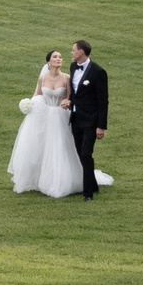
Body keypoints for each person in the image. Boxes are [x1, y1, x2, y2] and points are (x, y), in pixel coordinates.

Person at [8, 49, 91, 198]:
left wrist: (68, 100)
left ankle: (61, 180)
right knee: (44, 147)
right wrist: (28, 104)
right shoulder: (43, 78)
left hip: (60, 115)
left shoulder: (66, 78)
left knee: (60, 147)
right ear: (49, 61)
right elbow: (38, 95)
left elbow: (71, 96)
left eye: (60, 57)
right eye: (55, 57)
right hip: (46, 116)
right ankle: (41, 178)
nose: (59, 59)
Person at [61, 40, 111, 200]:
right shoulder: (73, 67)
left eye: (73, 50)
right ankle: (93, 184)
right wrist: (70, 101)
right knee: (78, 153)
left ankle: (87, 193)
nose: (71, 53)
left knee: (86, 154)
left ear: (81, 52)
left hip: (90, 121)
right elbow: (75, 92)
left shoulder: (98, 72)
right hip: (76, 118)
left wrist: (101, 126)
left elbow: (103, 101)